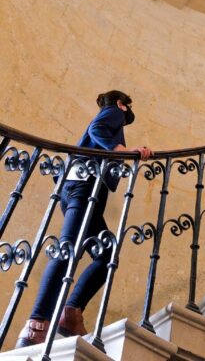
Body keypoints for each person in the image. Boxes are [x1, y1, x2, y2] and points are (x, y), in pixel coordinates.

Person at [16, 90, 153, 348]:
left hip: (81, 188)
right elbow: (97, 128)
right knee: (67, 248)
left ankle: (71, 314)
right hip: (84, 186)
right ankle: (36, 324)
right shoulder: (113, 112)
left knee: (107, 255)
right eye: (128, 106)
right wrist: (123, 150)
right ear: (123, 105)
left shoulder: (113, 117)